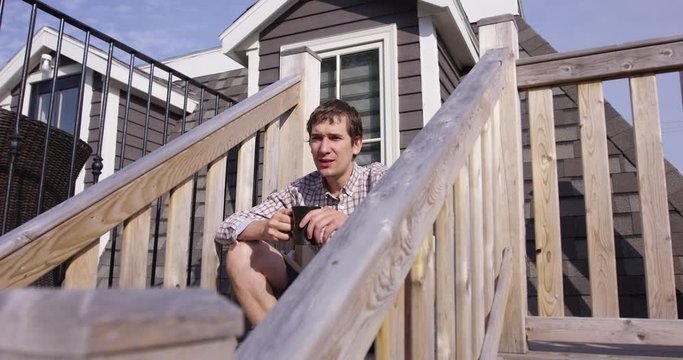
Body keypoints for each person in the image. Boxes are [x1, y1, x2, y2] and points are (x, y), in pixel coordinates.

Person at [215, 99, 387, 326]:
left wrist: (352, 223)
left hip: (365, 293)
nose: (324, 149)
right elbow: (225, 228)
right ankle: (282, 347)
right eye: (316, 138)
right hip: (310, 290)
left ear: (356, 145)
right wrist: (264, 228)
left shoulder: (376, 178)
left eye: (334, 138)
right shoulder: (300, 190)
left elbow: (407, 222)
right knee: (241, 255)